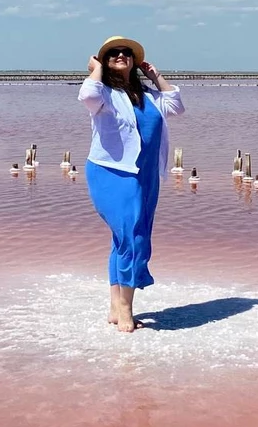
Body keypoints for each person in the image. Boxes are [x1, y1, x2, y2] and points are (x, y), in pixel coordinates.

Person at [78, 35, 185, 333]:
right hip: (112, 172)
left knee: (124, 239)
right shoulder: (103, 93)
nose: (121, 55)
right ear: (104, 59)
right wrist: (96, 71)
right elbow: (86, 95)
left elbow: (176, 106)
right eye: (114, 53)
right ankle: (126, 309)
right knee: (132, 238)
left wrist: (156, 76)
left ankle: (115, 307)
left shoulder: (148, 94)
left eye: (127, 52)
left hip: (146, 175)